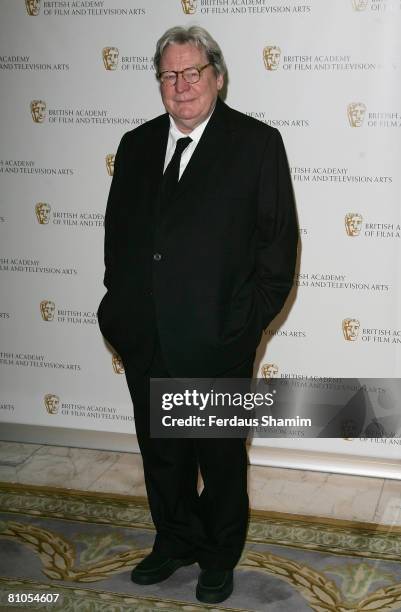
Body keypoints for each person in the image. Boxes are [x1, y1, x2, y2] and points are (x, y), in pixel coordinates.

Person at [98, 25, 298, 604]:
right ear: (159, 81)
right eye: (169, 74)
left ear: (217, 76)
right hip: (146, 336)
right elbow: (119, 239)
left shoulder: (257, 144)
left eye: (192, 73)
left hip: (217, 340)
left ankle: (218, 553)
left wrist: (242, 329)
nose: (181, 85)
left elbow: (277, 249)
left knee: (219, 454)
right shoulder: (136, 146)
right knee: (161, 452)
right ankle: (174, 538)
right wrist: (121, 308)